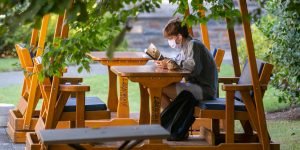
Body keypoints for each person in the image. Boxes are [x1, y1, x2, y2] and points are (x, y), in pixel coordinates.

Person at [155, 18, 218, 109]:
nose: (170, 41)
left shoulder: (193, 45)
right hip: (195, 87)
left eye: (171, 38)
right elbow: (177, 61)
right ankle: (173, 120)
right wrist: (165, 61)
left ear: (179, 37)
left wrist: (172, 64)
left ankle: (173, 121)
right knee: (157, 88)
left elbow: (193, 68)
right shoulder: (184, 47)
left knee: (157, 89)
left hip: (204, 90)